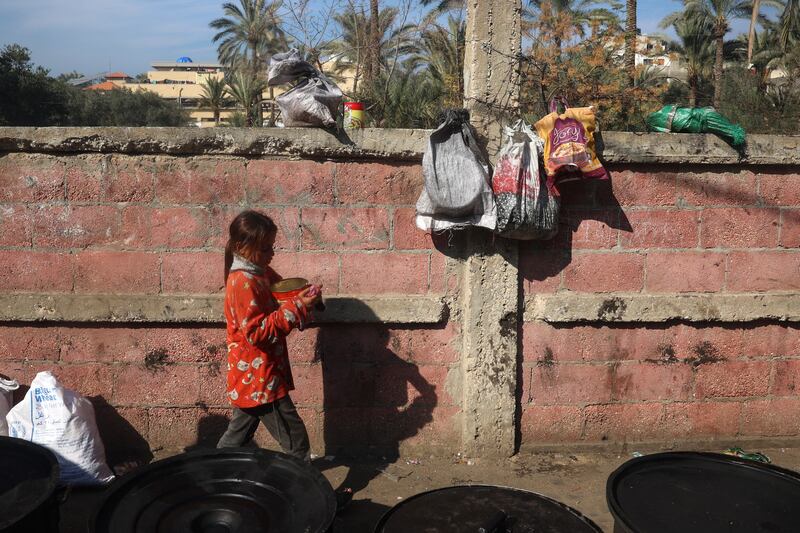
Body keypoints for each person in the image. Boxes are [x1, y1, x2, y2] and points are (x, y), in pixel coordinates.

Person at [216, 210, 320, 461]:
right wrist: (298, 307)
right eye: (265, 249)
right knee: (297, 444)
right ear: (242, 247)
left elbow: (282, 293)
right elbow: (257, 334)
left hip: (256, 376)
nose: (271, 254)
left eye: (271, 247)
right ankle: (306, 494)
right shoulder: (242, 282)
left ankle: (211, 472)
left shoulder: (259, 271)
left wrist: (303, 296)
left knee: (235, 440)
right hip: (261, 378)